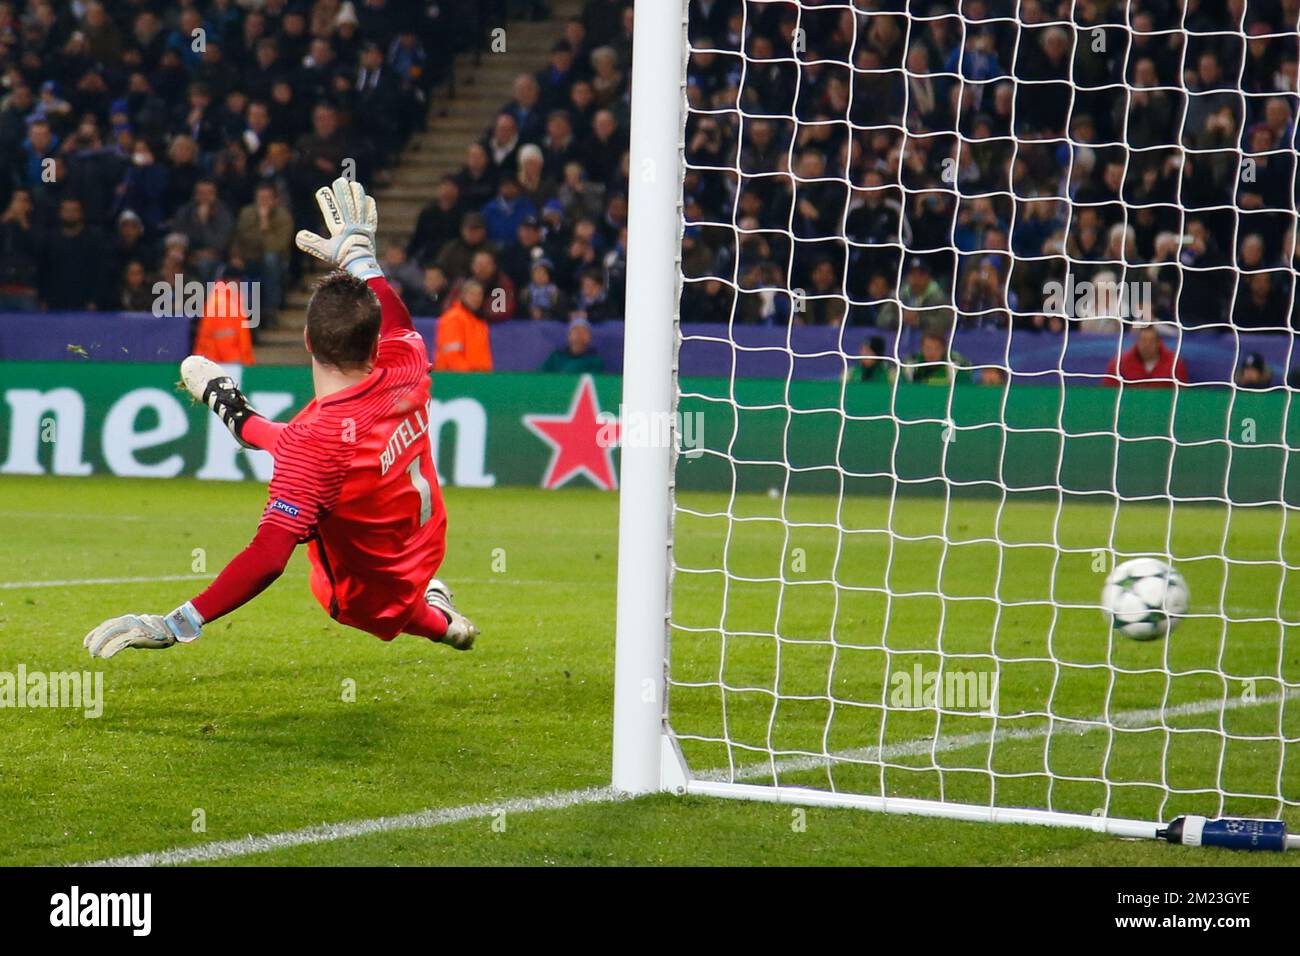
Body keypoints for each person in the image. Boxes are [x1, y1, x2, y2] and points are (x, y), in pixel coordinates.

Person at [83, 179, 478, 660]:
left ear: (307, 342)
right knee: (317, 456)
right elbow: (395, 315)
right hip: (423, 539)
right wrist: (362, 261)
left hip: (364, 586)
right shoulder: (408, 361)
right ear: (377, 343)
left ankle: (440, 622)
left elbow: (269, 558)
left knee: (367, 601)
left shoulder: (312, 444)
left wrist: (177, 622)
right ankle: (449, 624)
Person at [434, 279, 494, 372]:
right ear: (462, 295)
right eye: (472, 294)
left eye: (479, 294)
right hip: (456, 379)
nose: (476, 298)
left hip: (476, 378)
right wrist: (468, 377)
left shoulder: (480, 322)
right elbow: (452, 354)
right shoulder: (453, 318)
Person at [1103, 324, 1188, 388]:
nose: (1147, 345)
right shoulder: (1119, 363)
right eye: (1143, 340)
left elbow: (1182, 394)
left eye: (1151, 341)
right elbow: (1109, 392)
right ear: (1137, 342)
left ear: (1158, 343)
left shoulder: (1175, 364)